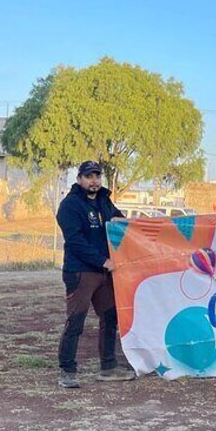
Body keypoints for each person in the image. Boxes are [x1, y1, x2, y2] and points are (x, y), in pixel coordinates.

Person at [56, 160, 135, 388]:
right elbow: (75, 241)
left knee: (110, 318)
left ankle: (108, 367)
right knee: (76, 321)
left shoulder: (104, 201)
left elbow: (121, 223)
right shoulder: (70, 206)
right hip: (81, 272)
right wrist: (103, 260)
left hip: (104, 273)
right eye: (89, 176)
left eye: (97, 176)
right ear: (79, 178)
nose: (94, 181)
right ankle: (67, 371)